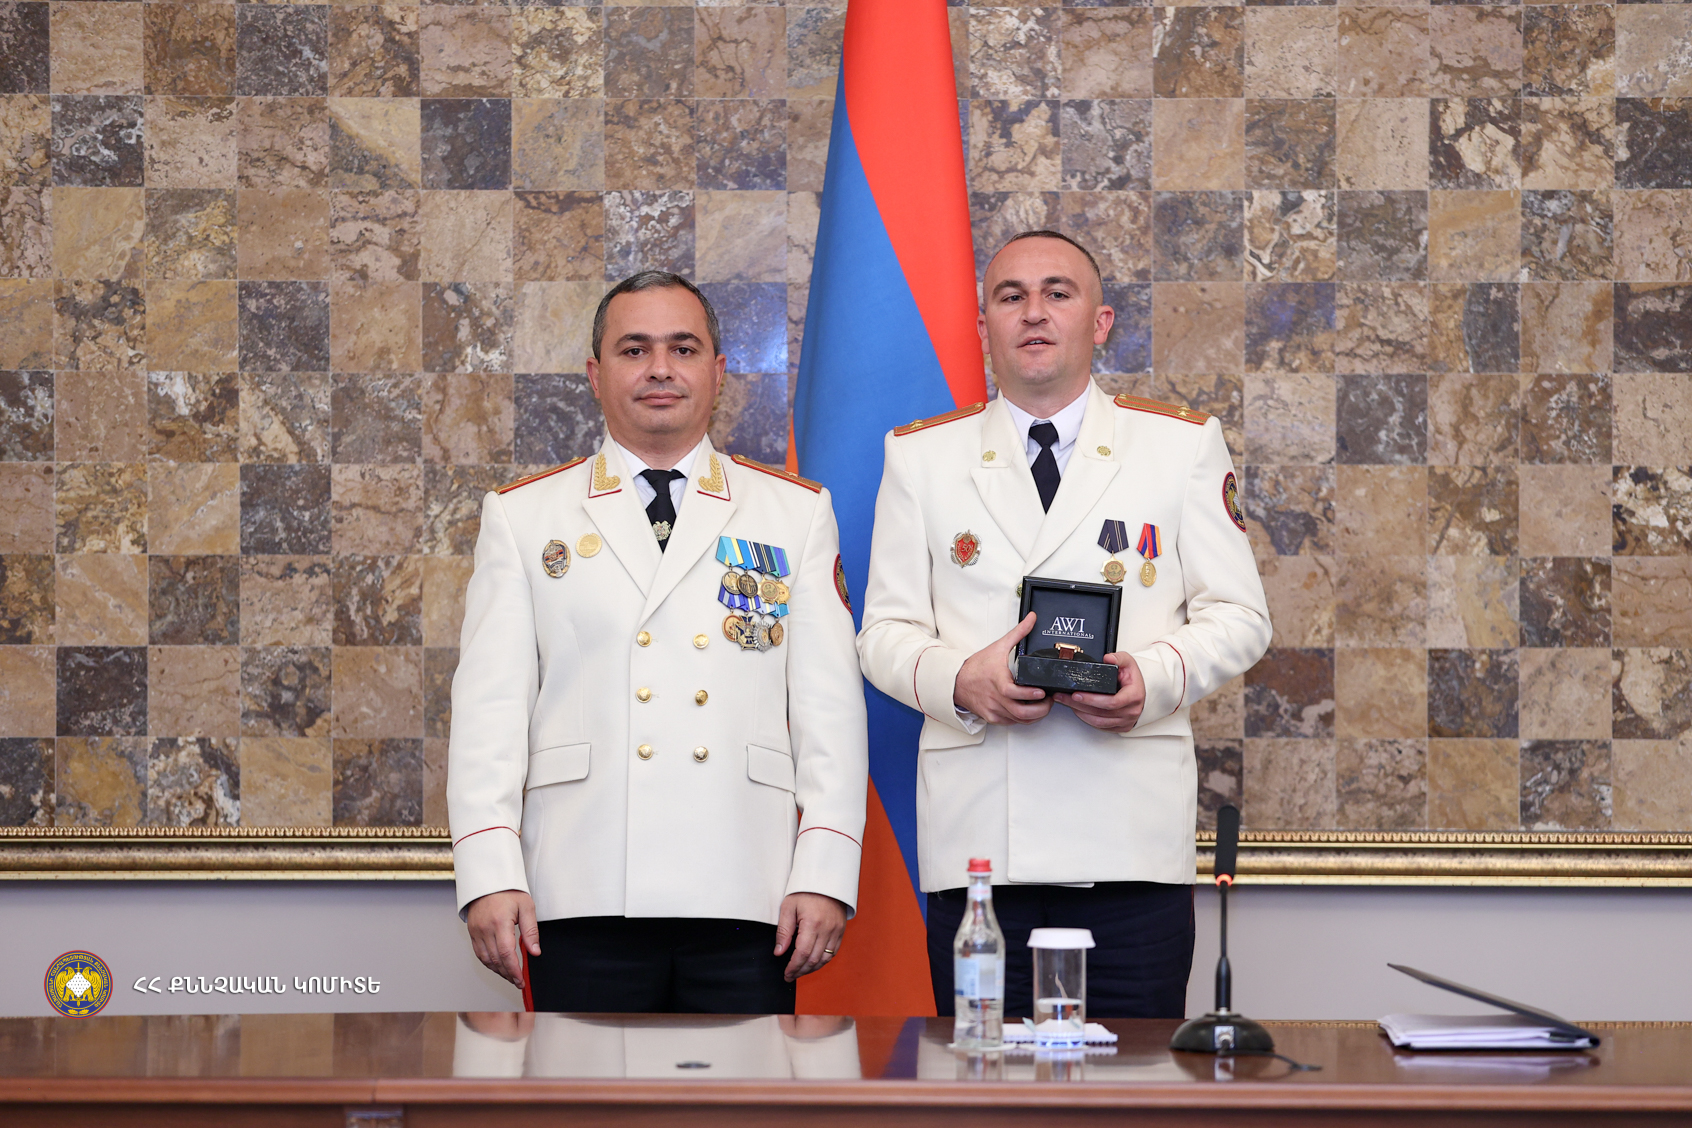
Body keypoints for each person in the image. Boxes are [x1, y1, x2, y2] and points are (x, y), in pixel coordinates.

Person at [856, 231, 1271, 1019]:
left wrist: (1153, 677)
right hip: (983, 852)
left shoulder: (1179, 445)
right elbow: (883, 634)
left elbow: (1241, 617)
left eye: (1058, 293)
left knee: (1132, 1080)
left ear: (1101, 321)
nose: (1034, 313)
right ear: (983, 326)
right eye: (1011, 297)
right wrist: (960, 681)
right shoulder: (923, 457)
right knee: (982, 1080)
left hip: (1128, 850)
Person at [449, 271, 868, 1014]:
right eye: (634, 349)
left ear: (718, 371)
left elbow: (830, 713)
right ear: (596, 374)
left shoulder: (793, 514)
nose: (660, 369)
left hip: (749, 886)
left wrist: (825, 872)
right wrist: (489, 872)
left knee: (743, 1086)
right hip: (580, 886)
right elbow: (489, 714)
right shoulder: (525, 517)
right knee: (580, 1086)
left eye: (683, 348)